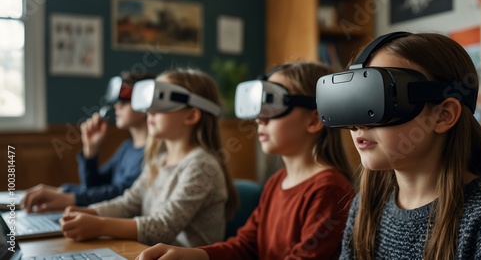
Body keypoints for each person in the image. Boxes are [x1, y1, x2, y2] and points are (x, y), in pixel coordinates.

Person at [136, 62, 355, 259]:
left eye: (273, 104)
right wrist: (191, 255)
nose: (260, 119)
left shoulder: (330, 190)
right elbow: (245, 246)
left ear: (314, 120)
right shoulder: (276, 182)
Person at [332, 32, 481, 259]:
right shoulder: (367, 204)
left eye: (380, 100)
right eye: (356, 102)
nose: (357, 124)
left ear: (442, 115)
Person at [58, 69, 239, 247]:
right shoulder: (158, 161)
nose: (149, 111)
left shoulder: (201, 165)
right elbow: (128, 203)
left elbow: (164, 226)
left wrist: (101, 226)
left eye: (161, 102)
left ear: (192, 115)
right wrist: (90, 212)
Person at [22, 71, 155, 213]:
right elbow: (94, 186)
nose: (116, 106)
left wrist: (70, 197)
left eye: (123, 101)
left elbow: (122, 194)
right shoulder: (126, 148)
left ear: (144, 105)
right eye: (116, 101)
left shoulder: (154, 153)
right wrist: (90, 150)